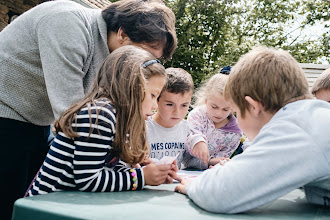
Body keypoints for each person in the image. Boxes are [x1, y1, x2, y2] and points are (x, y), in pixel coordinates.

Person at [0, 0, 177, 218]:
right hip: (6, 113)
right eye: (144, 53)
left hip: (36, 119)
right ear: (122, 33)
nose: (144, 64)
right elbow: (72, 116)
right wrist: (138, 175)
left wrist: (132, 161)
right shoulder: (67, 24)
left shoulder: (113, 60)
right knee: (9, 203)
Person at [175, 46, 330, 213]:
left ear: (253, 107)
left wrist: (194, 186)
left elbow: (223, 192)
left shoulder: (295, 130)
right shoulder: (311, 118)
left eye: (235, 111)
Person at [25, 45, 178, 197]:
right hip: (45, 206)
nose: (155, 105)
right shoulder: (100, 116)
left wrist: (150, 173)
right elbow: (88, 180)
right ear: (134, 87)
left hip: (69, 202)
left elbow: (107, 170)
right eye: (153, 95)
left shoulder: (116, 119)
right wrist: (142, 177)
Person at [186, 73, 244, 169]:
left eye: (225, 109)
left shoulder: (235, 133)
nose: (219, 113)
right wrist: (197, 140)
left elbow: (220, 159)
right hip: (181, 169)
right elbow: (189, 140)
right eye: (214, 107)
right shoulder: (197, 115)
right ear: (206, 99)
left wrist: (216, 163)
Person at [146, 68, 195, 169]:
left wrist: (210, 161)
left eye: (184, 105)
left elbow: (190, 161)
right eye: (169, 104)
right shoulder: (144, 126)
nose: (177, 112)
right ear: (157, 100)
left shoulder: (186, 128)